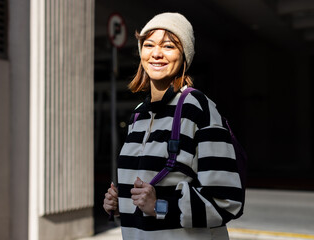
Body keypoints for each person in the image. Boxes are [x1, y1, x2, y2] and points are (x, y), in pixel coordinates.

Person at [103, 12, 243, 240]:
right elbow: (147, 198)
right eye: (148, 45)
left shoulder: (197, 107)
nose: (156, 53)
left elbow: (226, 201)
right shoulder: (138, 115)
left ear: (184, 55)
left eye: (168, 46)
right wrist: (123, 204)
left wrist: (159, 205)